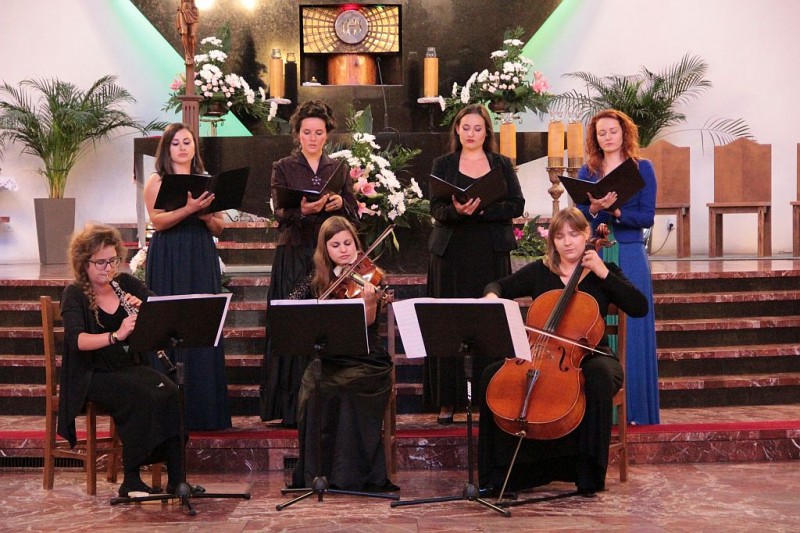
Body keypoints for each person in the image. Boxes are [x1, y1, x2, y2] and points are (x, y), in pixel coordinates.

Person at [478, 207, 648, 496]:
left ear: (586, 235)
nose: (567, 242)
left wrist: (604, 273)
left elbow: (639, 306)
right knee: (491, 376)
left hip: (590, 356)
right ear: (552, 241)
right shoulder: (541, 271)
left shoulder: (603, 271)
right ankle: (499, 474)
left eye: (574, 234)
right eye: (559, 236)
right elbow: (497, 285)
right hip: (540, 354)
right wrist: (492, 296)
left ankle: (588, 474)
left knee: (598, 377)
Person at [58, 224, 184, 497]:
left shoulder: (125, 283)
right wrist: (117, 335)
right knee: (139, 396)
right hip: (92, 374)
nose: (108, 268)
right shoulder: (75, 294)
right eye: (100, 262)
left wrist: (145, 308)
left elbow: (163, 311)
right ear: (84, 263)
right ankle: (132, 479)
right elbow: (77, 341)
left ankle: (177, 480)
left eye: (113, 260)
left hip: (130, 367)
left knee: (172, 393)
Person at [424, 103, 525, 424]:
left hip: (489, 253)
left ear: (486, 132)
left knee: (490, 324)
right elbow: (436, 209)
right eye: (465, 127)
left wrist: (483, 209)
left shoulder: (501, 164)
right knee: (448, 324)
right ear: (457, 129)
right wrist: (457, 211)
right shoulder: (443, 164)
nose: (471, 133)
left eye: (477, 128)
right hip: (451, 254)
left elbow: (517, 204)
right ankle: (447, 400)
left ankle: (491, 396)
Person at [260, 100, 358, 427]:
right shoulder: (283, 166)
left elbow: (354, 215)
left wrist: (341, 201)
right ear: (298, 134)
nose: (312, 138)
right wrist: (302, 211)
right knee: (293, 324)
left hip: (327, 257)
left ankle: (325, 405)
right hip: (295, 253)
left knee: (325, 325)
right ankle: (291, 408)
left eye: (318, 133)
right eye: (306, 133)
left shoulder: (338, 168)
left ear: (327, 134)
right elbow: (279, 212)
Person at [288, 216, 398, 492]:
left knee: (344, 389)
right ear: (325, 250)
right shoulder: (317, 279)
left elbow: (368, 324)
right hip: (331, 358)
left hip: (367, 360)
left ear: (356, 244)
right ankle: (317, 472)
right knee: (312, 387)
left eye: (348, 243)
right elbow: (291, 307)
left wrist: (369, 302)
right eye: (335, 245)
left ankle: (350, 474)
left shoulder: (370, 276)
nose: (344, 250)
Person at [144, 122, 231, 431]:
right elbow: (157, 221)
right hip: (169, 253)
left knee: (202, 322)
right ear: (167, 149)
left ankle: (205, 411)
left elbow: (220, 226)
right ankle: (168, 412)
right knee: (169, 323)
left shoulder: (208, 180)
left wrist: (206, 216)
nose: (182, 147)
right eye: (176, 143)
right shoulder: (157, 180)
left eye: (187, 142)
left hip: (199, 252)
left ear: (195, 147)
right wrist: (188, 209)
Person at [576, 109, 660, 425]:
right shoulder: (587, 171)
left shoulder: (642, 168)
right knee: (597, 325)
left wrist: (617, 212)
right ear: (595, 138)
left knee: (634, 330)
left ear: (624, 133)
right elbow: (580, 218)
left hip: (630, 250)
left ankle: (636, 411)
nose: (608, 137)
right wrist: (595, 209)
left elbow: (647, 217)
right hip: (596, 253)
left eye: (613, 131)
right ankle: (602, 413)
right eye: (602, 133)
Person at [176, 0, 199, 65]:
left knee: (192, 35)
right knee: (184, 33)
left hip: (192, 11)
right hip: (182, 11)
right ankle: (187, 53)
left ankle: (192, 54)